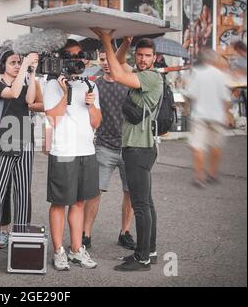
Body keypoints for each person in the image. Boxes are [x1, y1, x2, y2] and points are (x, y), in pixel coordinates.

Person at [93, 29, 163, 272]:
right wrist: (124, 43)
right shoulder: (141, 74)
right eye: (140, 55)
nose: (143, 59)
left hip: (139, 149)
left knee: (141, 205)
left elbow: (116, 72)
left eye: (147, 55)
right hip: (138, 148)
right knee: (148, 203)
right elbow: (119, 63)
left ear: (155, 58)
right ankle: (149, 251)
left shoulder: (151, 77)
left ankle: (142, 257)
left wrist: (105, 40)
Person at [44, 39, 102, 271]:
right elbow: (52, 118)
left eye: (79, 56)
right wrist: (66, 92)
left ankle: (77, 249)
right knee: (60, 203)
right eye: (70, 56)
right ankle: (59, 251)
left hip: (86, 150)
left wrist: (91, 105)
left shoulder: (90, 85)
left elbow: (97, 122)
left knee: (79, 202)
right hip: (63, 151)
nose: (76, 60)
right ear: (62, 59)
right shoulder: (52, 84)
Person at [0, 47, 39, 266]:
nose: (16, 66)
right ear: (2, 64)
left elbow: (30, 99)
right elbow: (12, 94)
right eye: (12, 62)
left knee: (23, 195)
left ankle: (21, 241)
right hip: (3, 143)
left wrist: (31, 73)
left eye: (18, 62)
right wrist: (25, 66)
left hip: (25, 142)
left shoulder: (22, 80)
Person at [82, 41, 136, 251]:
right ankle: (86, 235)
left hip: (129, 146)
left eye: (109, 59)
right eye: (102, 59)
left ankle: (125, 232)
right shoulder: (95, 85)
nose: (105, 63)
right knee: (94, 192)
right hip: (104, 146)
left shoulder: (128, 81)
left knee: (130, 192)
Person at [185, 49, 232, 188]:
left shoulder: (197, 73)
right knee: (216, 146)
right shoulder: (220, 75)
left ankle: (199, 177)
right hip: (217, 116)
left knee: (198, 146)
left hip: (200, 115)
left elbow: (190, 94)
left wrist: (189, 106)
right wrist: (226, 114)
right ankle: (212, 173)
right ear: (213, 60)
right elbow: (226, 98)